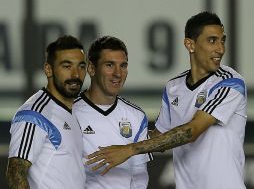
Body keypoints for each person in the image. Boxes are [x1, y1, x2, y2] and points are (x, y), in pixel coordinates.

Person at [86, 12, 247, 189]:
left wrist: (129, 150)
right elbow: (160, 138)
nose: (220, 49)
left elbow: (191, 131)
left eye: (222, 40)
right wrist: (106, 135)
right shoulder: (173, 87)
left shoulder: (230, 82)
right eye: (212, 41)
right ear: (190, 44)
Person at [6, 35, 87, 189]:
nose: (76, 74)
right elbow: (16, 173)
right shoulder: (35, 114)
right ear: (48, 70)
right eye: (67, 66)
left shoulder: (73, 111)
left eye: (81, 66)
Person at [72, 36, 152, 189]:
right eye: (109, 65)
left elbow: (139, 174)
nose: (118, 73)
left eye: (123, 66)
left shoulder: (136, 116)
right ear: (91, 68)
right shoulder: (69, 113)